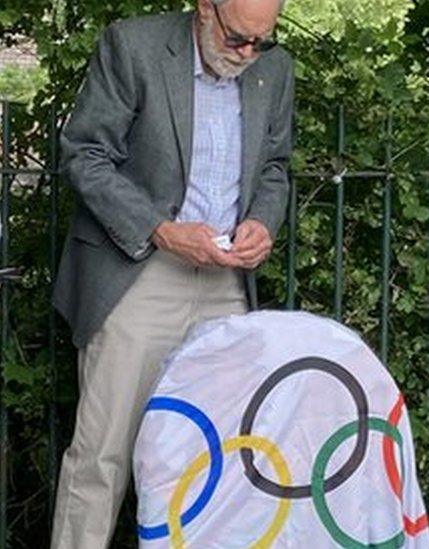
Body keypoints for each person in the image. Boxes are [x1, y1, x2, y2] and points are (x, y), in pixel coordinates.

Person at [50, 0, 294, 546]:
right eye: (239, 38)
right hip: (138, 274)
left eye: (263, 41)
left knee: (218, 456)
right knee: (102, 456)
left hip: (227, 285)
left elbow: (275, 167)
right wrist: (160, 229)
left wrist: (262, 221)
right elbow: (85, 153)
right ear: (206, 8)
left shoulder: (274, 68)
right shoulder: (132, 46)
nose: (250, 53)